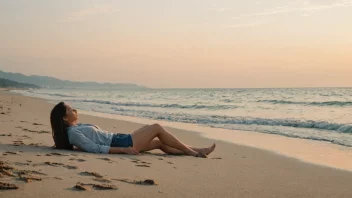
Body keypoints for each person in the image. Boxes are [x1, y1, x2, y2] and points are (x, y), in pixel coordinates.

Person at [50, 102, 216, 158]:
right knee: (156, 127)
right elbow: (95, 148)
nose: (75, 111)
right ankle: (193, 153)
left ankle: (197, 150)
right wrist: (124, 149)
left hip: (121, 138)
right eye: (71, 110)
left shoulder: (75, 128)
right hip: (122, 143)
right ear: (64, 117)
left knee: (158, 143)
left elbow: (87, 143)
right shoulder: (73, 133)